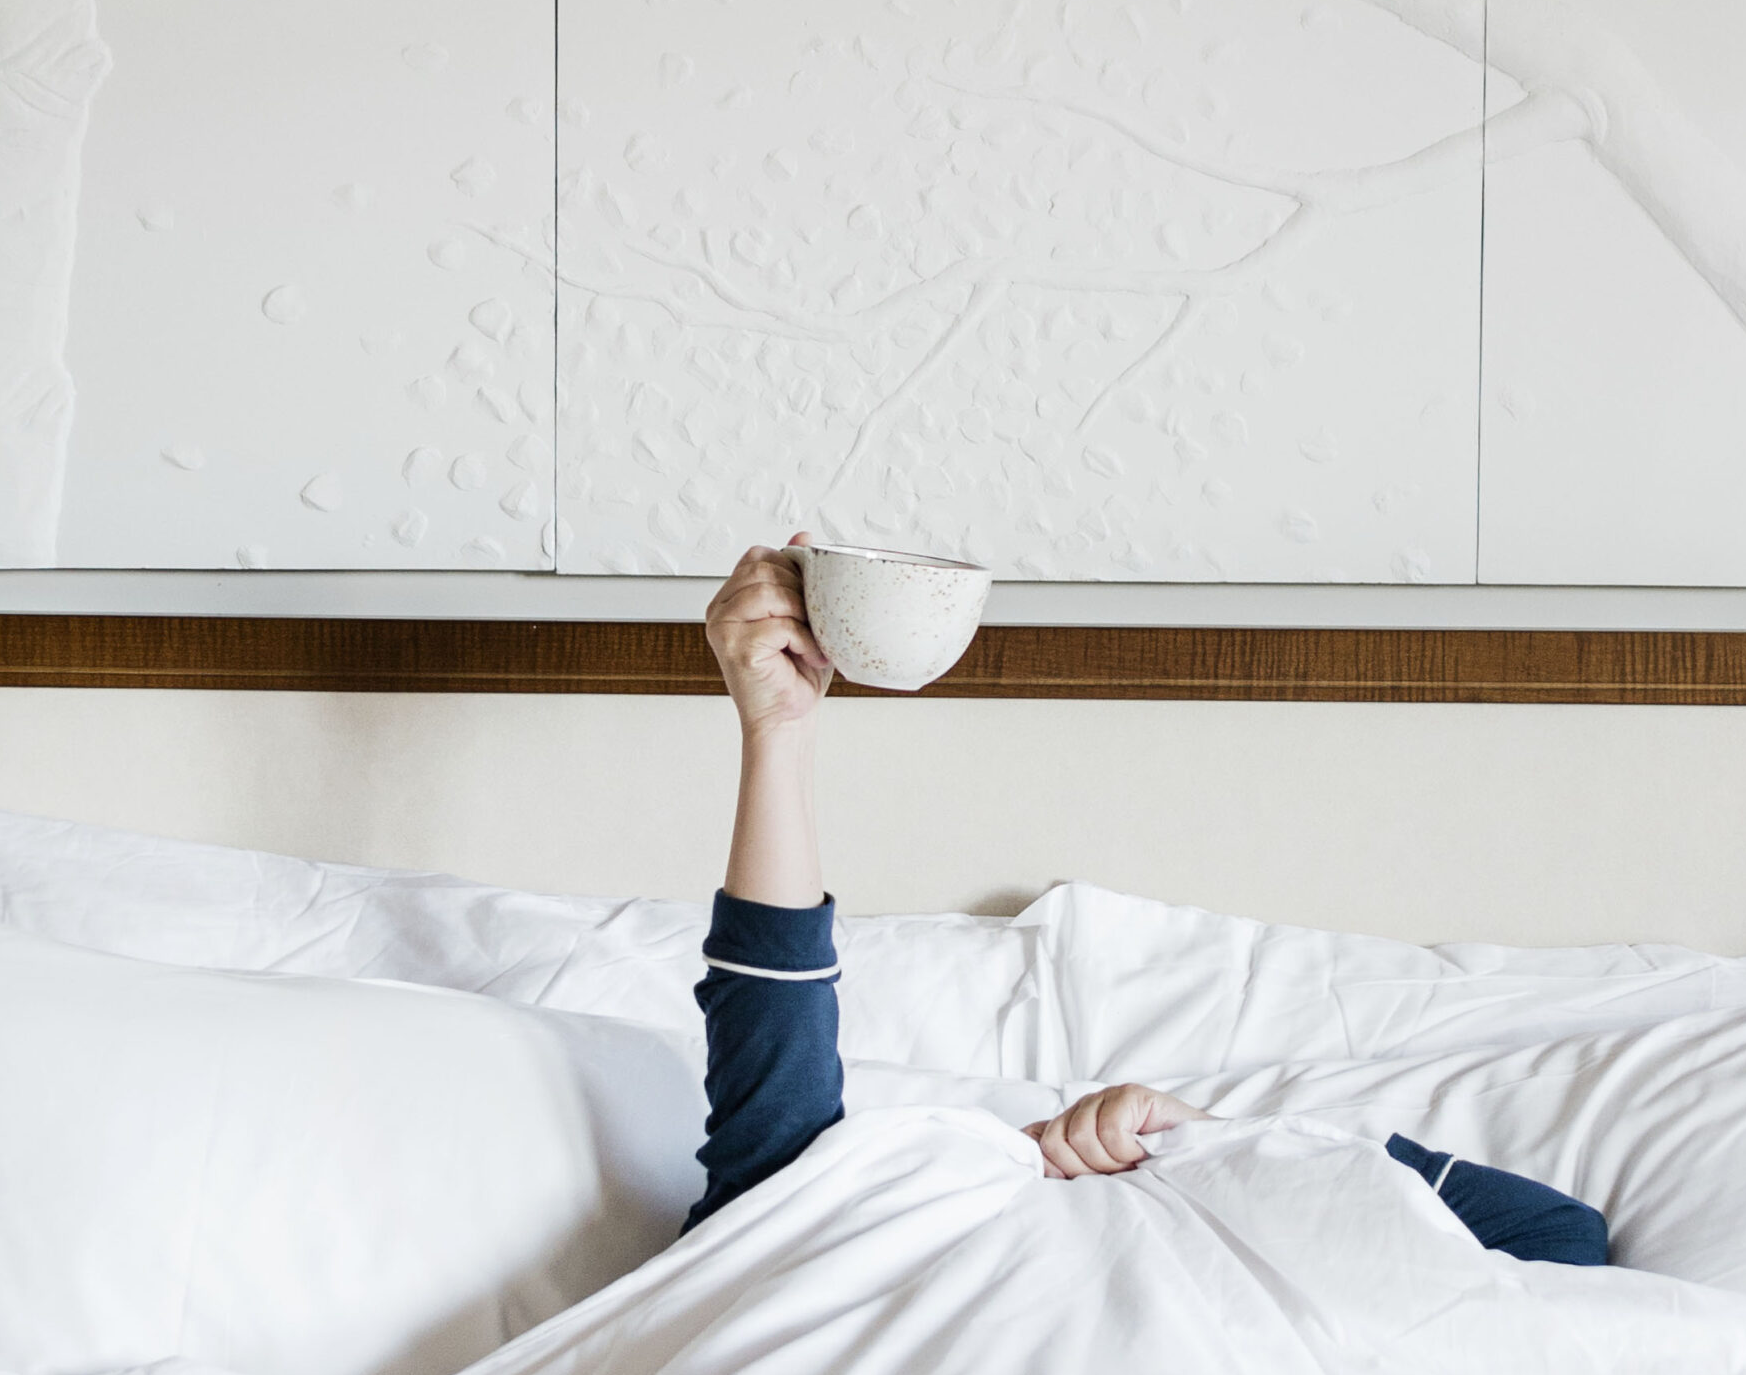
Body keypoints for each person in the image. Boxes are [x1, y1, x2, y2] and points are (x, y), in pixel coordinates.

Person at [686, 541, 1609, 1267]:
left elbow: (1556, 1241)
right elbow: (773, 1074)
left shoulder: (1239, 1279)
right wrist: (777, 729)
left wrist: (1218, 1147)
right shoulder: (817, 1232)